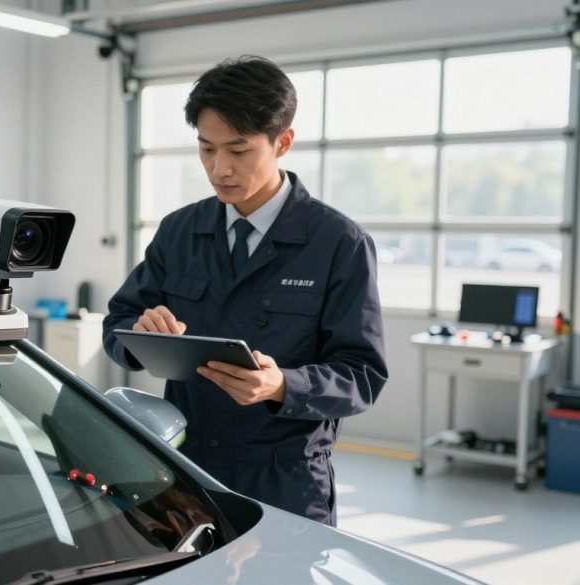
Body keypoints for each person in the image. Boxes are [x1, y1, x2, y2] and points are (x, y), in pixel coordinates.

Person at [102, 55, 387, 526]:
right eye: (207, 149)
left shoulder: (338, 243)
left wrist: (282, 385)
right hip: (185, 471)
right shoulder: (180, 231)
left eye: (238, 150)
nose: (220, 169)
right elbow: (118, 322)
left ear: (283, 142)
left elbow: (362, 375)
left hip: (284, 480)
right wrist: (139, 331)